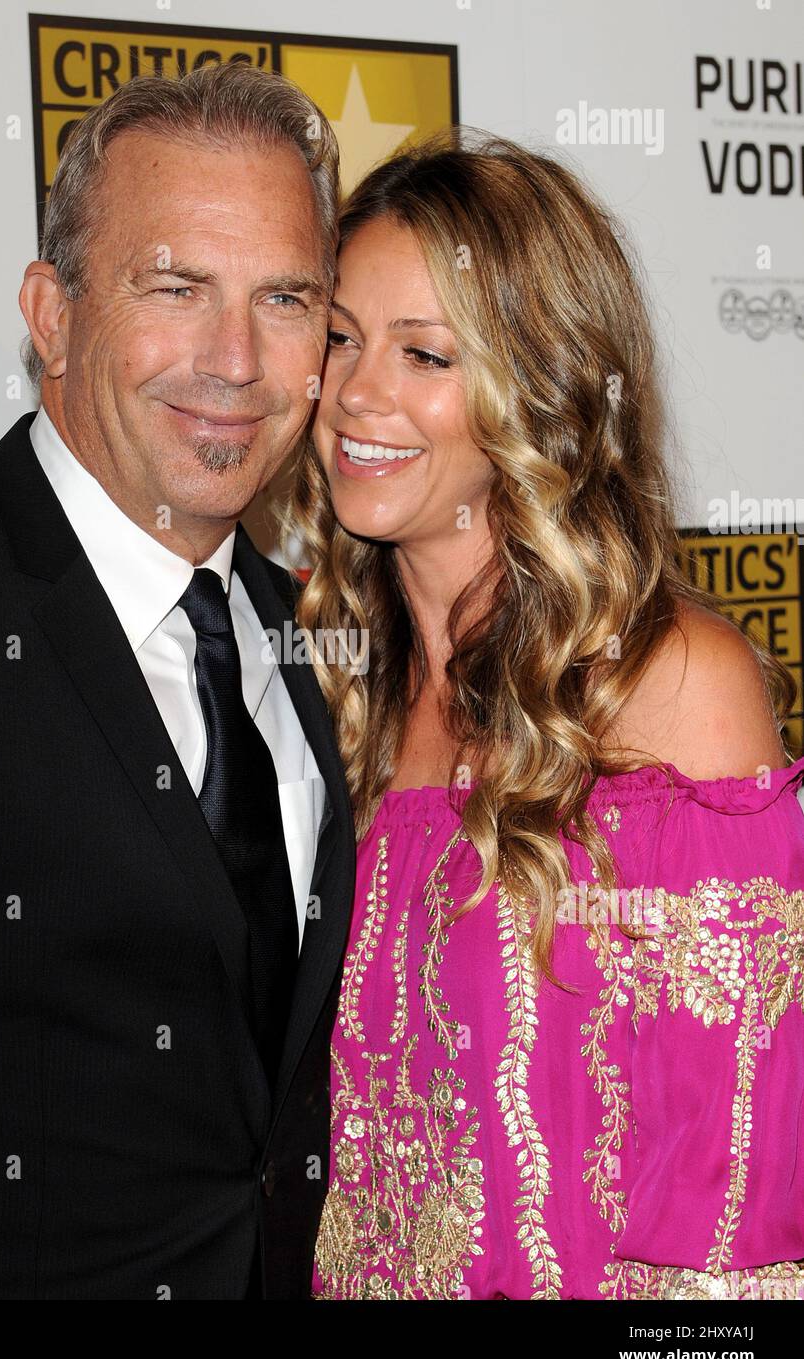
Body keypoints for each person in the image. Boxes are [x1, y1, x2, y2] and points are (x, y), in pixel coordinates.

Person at [0, 65, 356, 1300]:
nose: (235, 359)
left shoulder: (317, 634)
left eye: (285, 298)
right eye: (176, 287)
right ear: (52, 314)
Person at [282, 129, 804, 1299]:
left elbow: (733, 1233)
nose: (358, 394)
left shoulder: (669, 687)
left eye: (425, 353)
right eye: (339, 340)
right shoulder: (320, 685)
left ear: (543, 383)